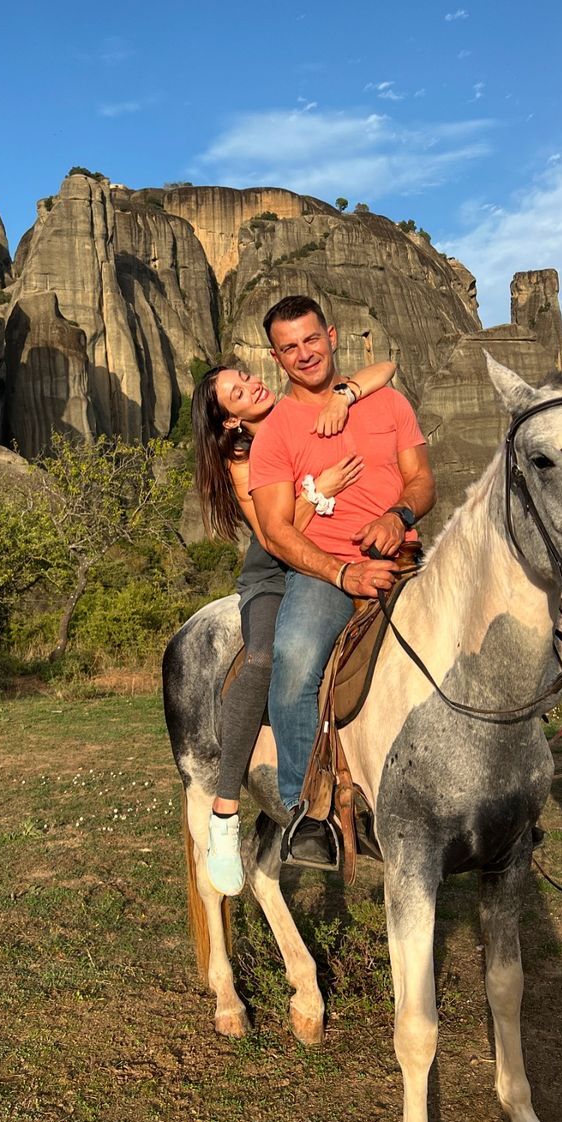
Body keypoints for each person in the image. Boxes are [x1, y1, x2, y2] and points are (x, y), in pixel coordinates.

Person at [191, 354, 397, 895]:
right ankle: (226, 809)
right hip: (277, 575)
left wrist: (343, 394)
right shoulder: (242, 462)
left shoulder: (300, 411)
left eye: (246, 375)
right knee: (263, 659)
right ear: (231, 421)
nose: (251, 385)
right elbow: (274, 537)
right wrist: (319, 489)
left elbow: (386, 369)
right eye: (237, 392)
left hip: (341, 557)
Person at [248, 295, 436, 868]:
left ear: (331, 336)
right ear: (277, 359)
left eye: (311, 340)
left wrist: (398, 516)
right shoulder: (275, 432)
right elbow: (277, 532)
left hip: (405, 556)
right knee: (297, 654)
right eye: (289, 348)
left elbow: (422, 479)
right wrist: (343, 571)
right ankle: (307, 811)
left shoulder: (387, 402)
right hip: (326, 571)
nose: (304, 354)